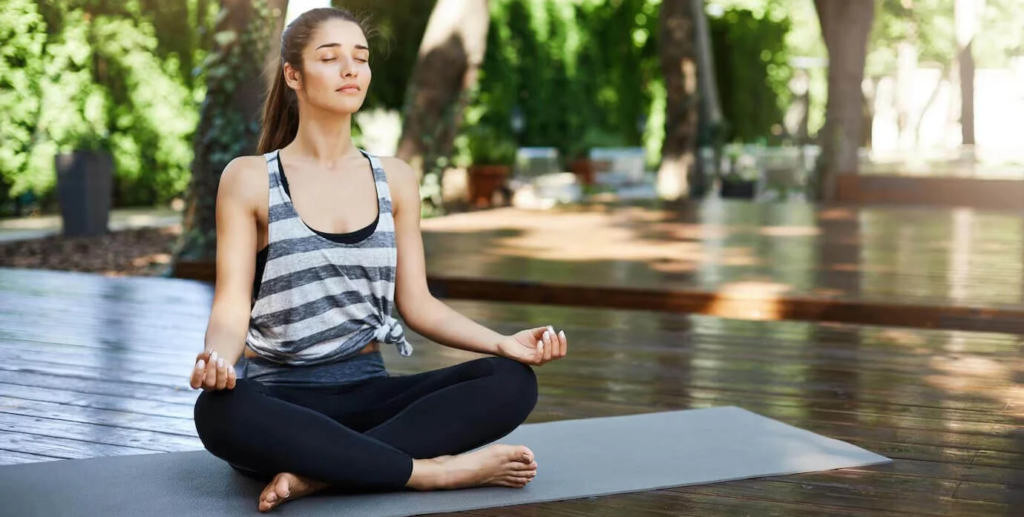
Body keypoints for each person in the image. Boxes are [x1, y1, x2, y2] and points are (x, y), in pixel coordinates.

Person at [189, 7, 568, 513]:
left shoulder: (395, 179)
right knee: (218, 413)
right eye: (331, 57)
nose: (351, 69)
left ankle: (320, 475)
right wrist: (217, 359)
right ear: (293, 75)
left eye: (360, 58)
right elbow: (232, 304)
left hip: (371, 396)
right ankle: (431, 472)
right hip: (283, 404)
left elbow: (418, 304)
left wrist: (504, 343)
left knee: (511, 381)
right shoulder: (249, 178)